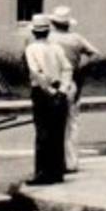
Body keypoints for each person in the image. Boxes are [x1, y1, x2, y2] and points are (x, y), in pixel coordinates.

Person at [48, 6, 100, 174]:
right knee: (71, 123)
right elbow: (96, 54)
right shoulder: (76, 39)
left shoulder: (48, 38)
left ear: (54, 23)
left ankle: (54, 161)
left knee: (52, 123)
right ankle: (71, 161)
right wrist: (81, 68)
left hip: (51, 81)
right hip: (70, 80)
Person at [25, 14, 73, 185]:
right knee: (57, 132)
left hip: (42, 92)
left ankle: (43, 172)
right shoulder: (57, 48)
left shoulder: (31, 49)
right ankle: (56, 171)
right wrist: (62, 89)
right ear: (48, 31)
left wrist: (51, 91)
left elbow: (36, 72)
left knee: (42, 132)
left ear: (33, 31)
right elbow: (67, 68)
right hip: (59, 89)